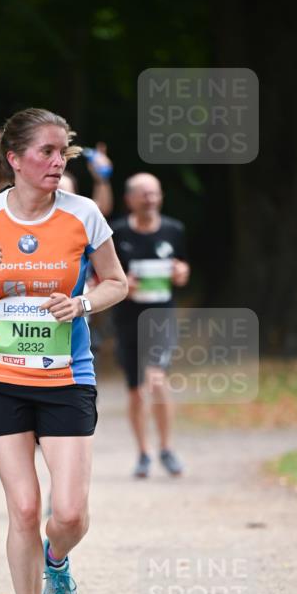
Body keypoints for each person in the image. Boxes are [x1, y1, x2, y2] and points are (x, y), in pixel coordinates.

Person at [0, 108, 128, 594]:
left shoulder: (84, 214)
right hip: (0, 376)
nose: (57, 162)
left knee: (68, 513)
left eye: (62, 152)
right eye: (46, 152)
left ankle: (57, 559)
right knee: (24, 507)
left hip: (67, 377)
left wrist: (82, 302)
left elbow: (118, 282)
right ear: (14, 159)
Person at [110, 173, 191, 478]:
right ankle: (143, 452)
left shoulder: (173, 230)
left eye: (155, 193)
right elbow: (103, 275)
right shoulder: (117, 233)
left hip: (162, 318)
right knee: (135, 391)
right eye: (144, 194)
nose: (150, 199)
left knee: (156, 380)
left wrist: (182, 272)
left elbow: (182, 269)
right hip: (128, 320)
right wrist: (122, 285)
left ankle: (167, 449)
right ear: (129, 199)